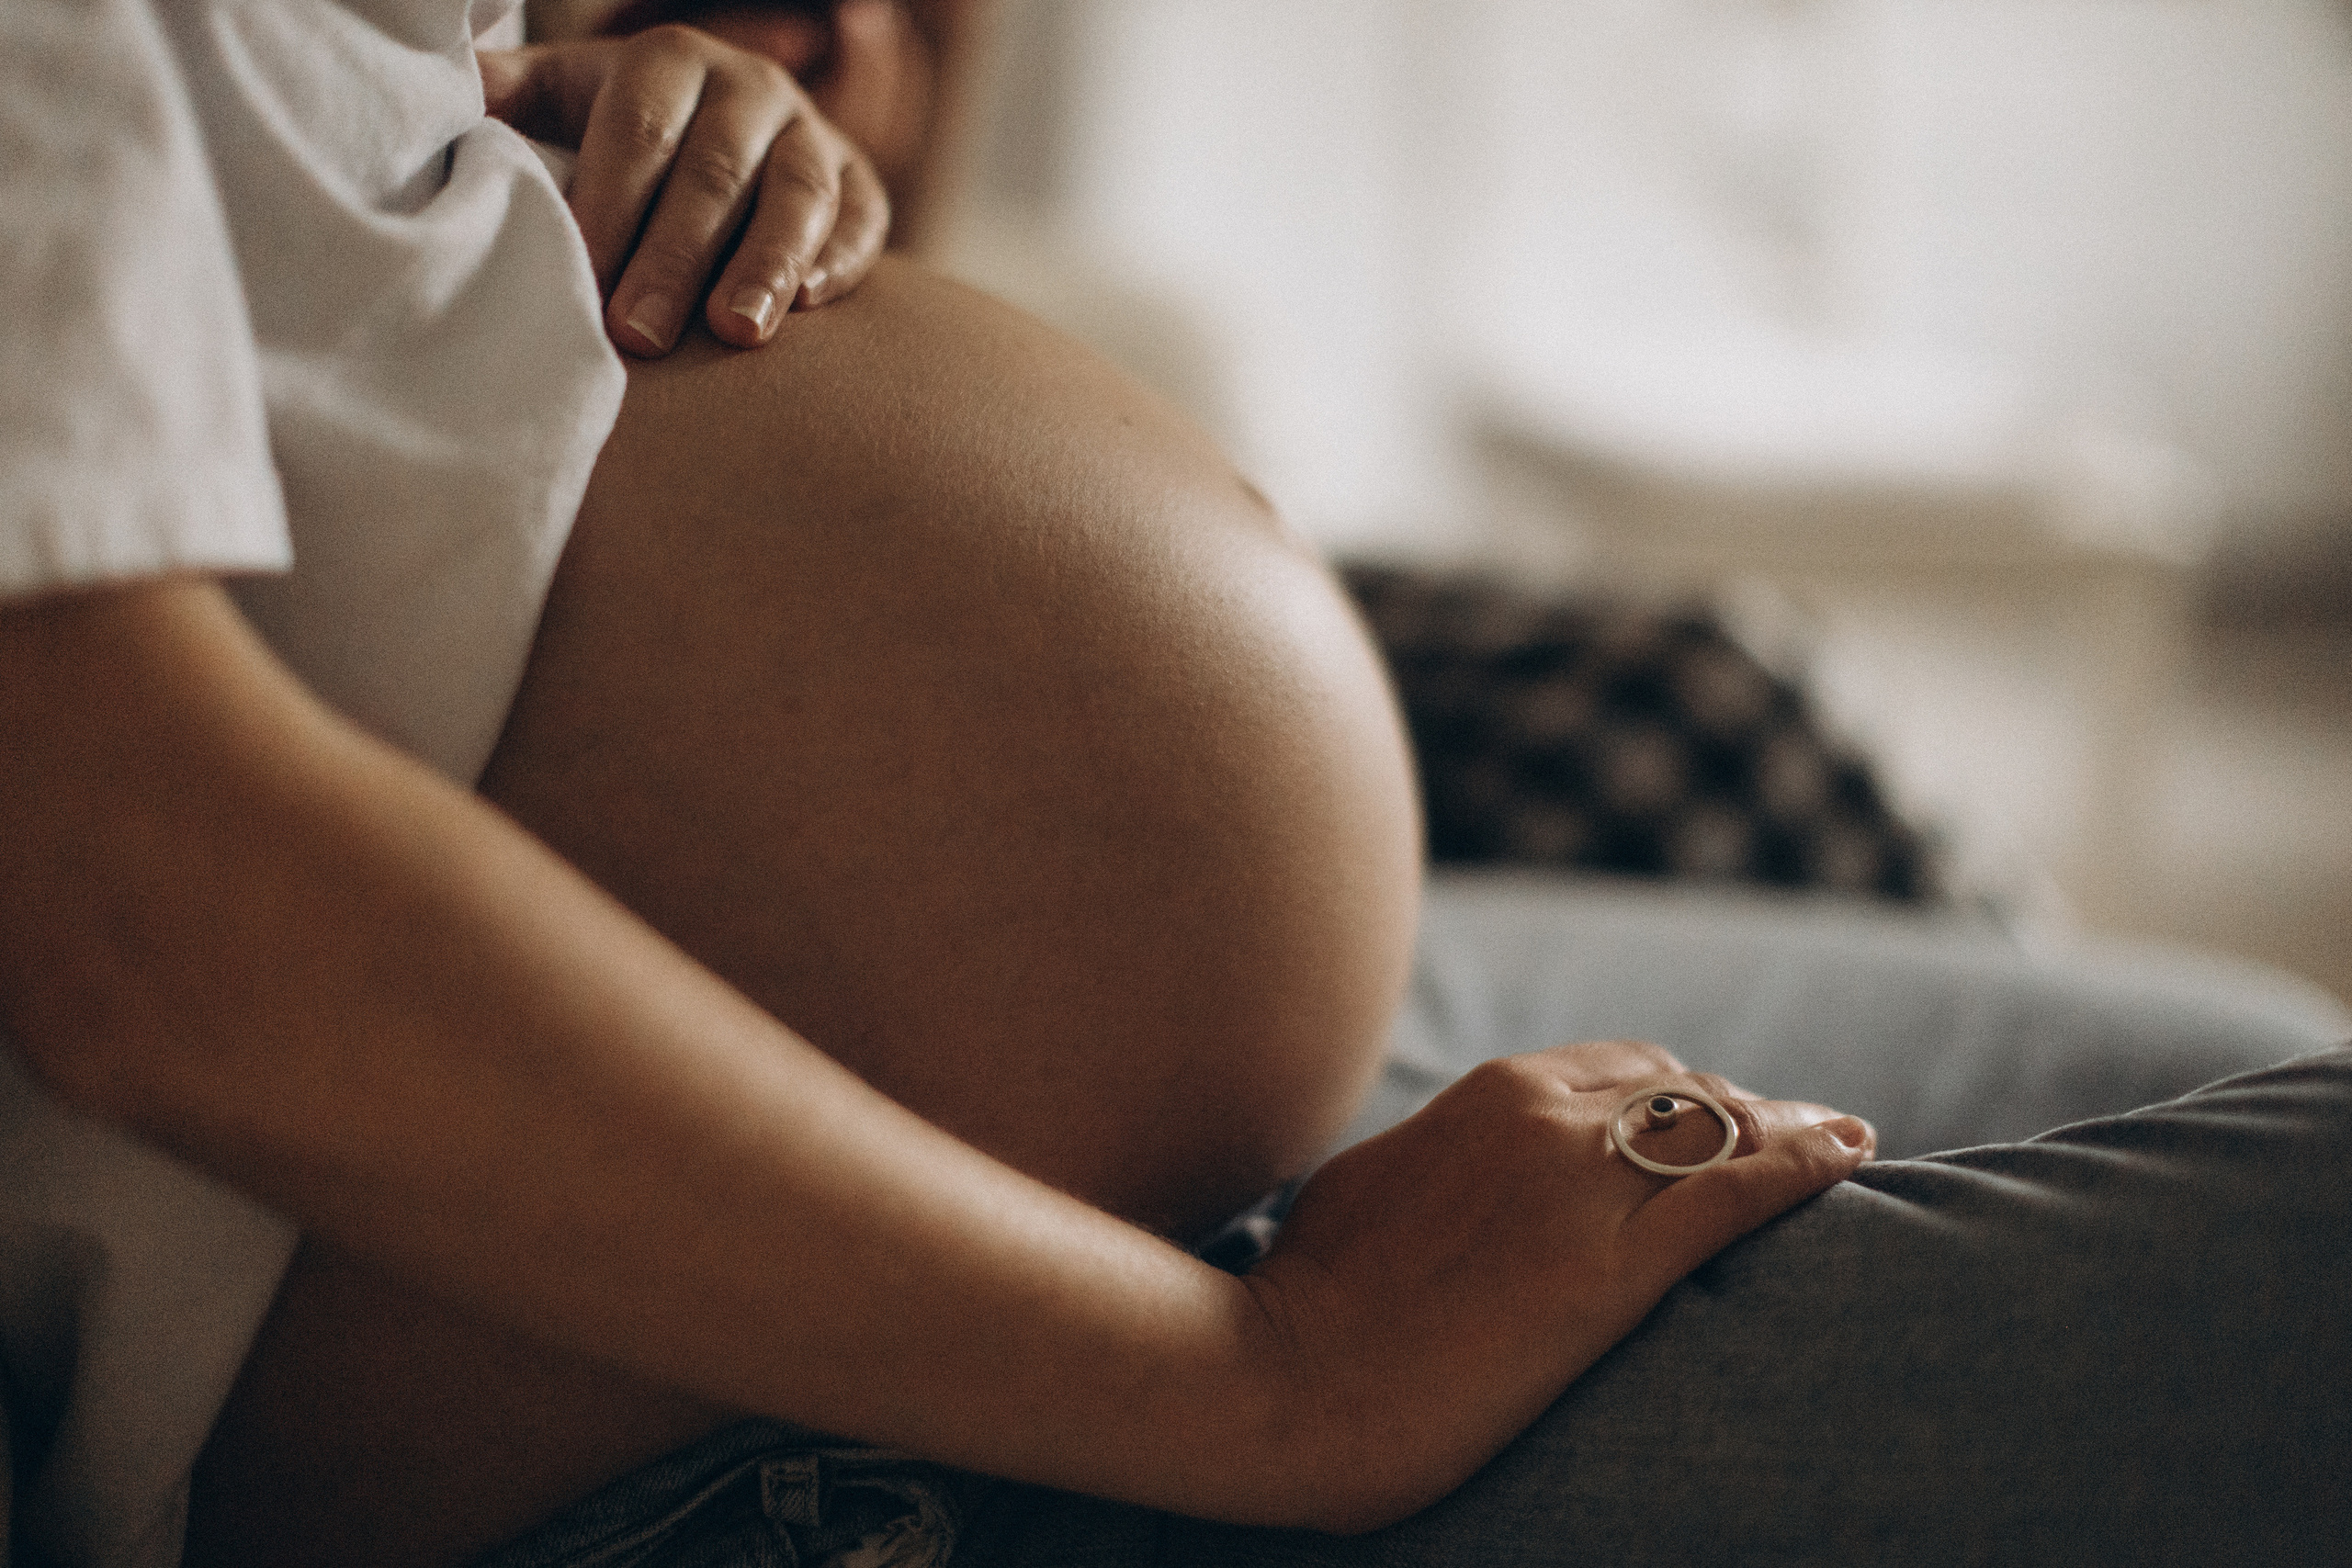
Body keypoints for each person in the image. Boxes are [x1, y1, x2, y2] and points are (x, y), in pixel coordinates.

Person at [0, 5, 2344, 1568]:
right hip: (828, 1400)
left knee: (2218, 1038)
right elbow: (135, 895)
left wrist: (563, 115)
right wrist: (1265, 1390)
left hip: (1049, 1180)